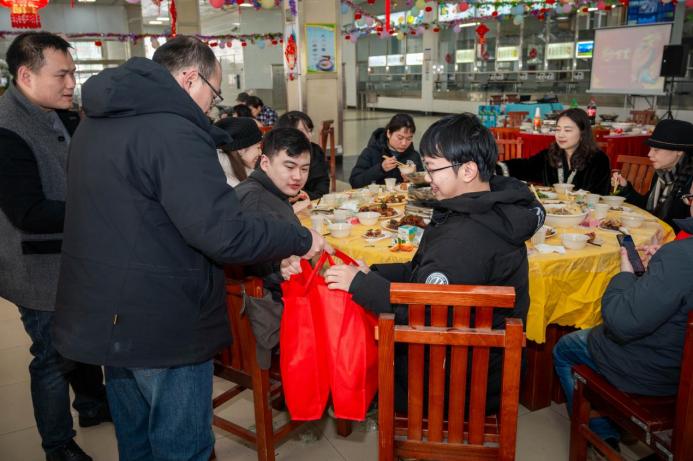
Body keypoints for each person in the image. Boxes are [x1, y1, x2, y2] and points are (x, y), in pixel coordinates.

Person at [52, 36, 329, 461]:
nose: (211, 107)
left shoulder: (97, 120)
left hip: (107, 311)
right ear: (189, 79)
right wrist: (300, 238)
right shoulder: (173, 130)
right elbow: (223, 232)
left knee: (137, 442)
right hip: (162, 319)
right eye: (213, 94)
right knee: (182, 447)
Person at [315, 113, 545, 413]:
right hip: (484, 364)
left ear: (468, 170)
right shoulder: (490, 208)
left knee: (362, 344)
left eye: (433, 168)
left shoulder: (463, 238)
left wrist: (359, 284)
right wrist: (372, 272)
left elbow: (421, 313)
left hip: (460, 381)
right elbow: (422, 270)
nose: (426, 177)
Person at [0, 32, 111, 461]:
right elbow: (28, 212)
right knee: (51, 357)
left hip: (72, 255)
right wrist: (100, 207)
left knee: (82, 338)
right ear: (26, 76)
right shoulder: (7, 129)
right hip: (38, 266)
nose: (71, 83)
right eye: (61, 75)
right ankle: (58, 445)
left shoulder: (60, 114)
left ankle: (92, 404)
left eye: (73, 73)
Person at [552, 184, 693, 454]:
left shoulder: (682, 255)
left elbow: (620, 322)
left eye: (690, 198)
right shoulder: (680, 256)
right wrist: (660, 270)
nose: (687, 205)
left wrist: (626, 273)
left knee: (565, 348)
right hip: (681, 362)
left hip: (662, 375)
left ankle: (601, 433)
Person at [234, 127, 313, 367]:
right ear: (265, 163)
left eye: (304, 169)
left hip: (272, 301)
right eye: (289, 167)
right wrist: (280, 266)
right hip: (269, 313)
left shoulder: (266, 192)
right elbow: (251, 256)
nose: (298, 176)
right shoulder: (256, 200)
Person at [497, 108, 611, 195]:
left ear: (582, 133)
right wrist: (493, 168)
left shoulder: (598, 160)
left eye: (567, 130)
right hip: (552, 212)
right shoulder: (551, 154)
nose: (560, 135)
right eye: (558, 129)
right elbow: (525, 166)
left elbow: (600, 197)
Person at [611, 118, 693, 234]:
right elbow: (646, 208)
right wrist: (625, 188)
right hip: (654, 234)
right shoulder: (662, 174)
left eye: (656, 150)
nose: (649, 154)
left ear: (679, 151)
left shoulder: (690, 181)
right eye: (650, 149)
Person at [349, 113, 424, 189]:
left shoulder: (414, 156)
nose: (404, 143)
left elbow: (425, 187)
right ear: (389, 133)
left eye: (409, 139)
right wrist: (381, 168)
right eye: (400, 138)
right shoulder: (371, 152)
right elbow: (355, 182)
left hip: (403, 196)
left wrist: (415, 178)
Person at [275, 111, 330, 200]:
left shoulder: (315, 152)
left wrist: (303, 196)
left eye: (310, 131)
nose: (309, 135)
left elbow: (322, 189)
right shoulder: (273, 155)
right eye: (302, 132)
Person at [215, 116, 262, 187]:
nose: (260, 153)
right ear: (241, 150)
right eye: (258, 147)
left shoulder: (240, 172)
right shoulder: (226, 183)